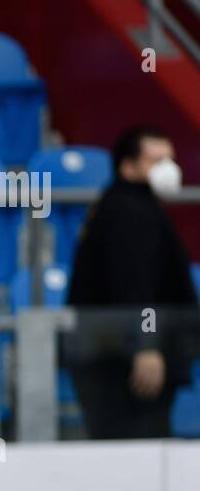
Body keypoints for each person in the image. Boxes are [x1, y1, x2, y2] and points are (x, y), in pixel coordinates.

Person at [66, 126, 198, 439]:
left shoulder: (131, 206)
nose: (169, 169)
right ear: (128, 166)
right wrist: (147, 345)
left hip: (117, 352)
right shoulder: (129, 211)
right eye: (156, 161)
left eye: (171, 160)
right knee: (132, 451)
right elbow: (135, 286)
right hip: (121, 361)